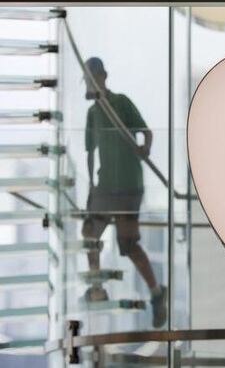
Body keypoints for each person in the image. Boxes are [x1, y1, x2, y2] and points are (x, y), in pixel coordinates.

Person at [81, 57, 167, 328]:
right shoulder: (92, 114)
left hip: (128, 185)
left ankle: (156, 293)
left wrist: (145, 149)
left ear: (104, 76)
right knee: (89, 233)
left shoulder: (121, 102)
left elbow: (147, 133)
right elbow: (90, 153)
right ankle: (97, 288)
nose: (91, 83)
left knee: (129, 244)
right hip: (106, 187)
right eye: (88, 79)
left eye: (93, 77)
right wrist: (92, 191)